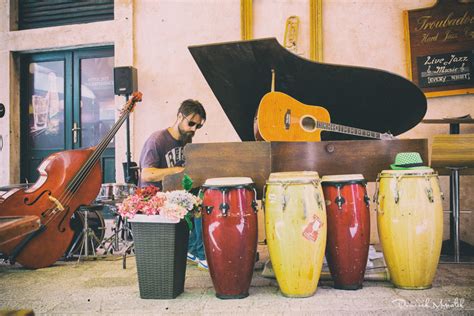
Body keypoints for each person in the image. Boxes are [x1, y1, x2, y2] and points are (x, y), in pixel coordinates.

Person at [138, 99, 208, 270]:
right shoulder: (157, 140)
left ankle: (192, 249)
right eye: (191, 123)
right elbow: (147, 174)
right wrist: (177, 170)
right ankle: (200, 254)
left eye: (197, 126)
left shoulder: (186, 141)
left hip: (175, 195)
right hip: (156, 196)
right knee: (198, 202)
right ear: (179, 116)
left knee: (204, 196)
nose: (193, 129)